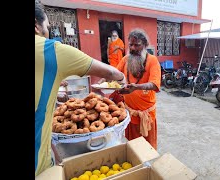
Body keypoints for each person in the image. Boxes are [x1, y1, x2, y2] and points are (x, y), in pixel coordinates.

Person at [35, 0, 126, 176]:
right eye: (47, 26)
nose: (48, 32)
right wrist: (121, 79)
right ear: (37, 27)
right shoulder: (50, 50)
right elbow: (112, 73)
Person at [116, 29, 161, 149]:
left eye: (137, 45)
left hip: (146, 115)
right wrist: (102, 81)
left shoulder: (152, 60)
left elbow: (154, 84)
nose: (133, 48)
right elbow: (115, 73)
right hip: (129, 113)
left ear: (145, 45)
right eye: (131, 44)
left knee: (147, 148)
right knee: (132, 147)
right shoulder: (126, 59)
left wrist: (136, 87)